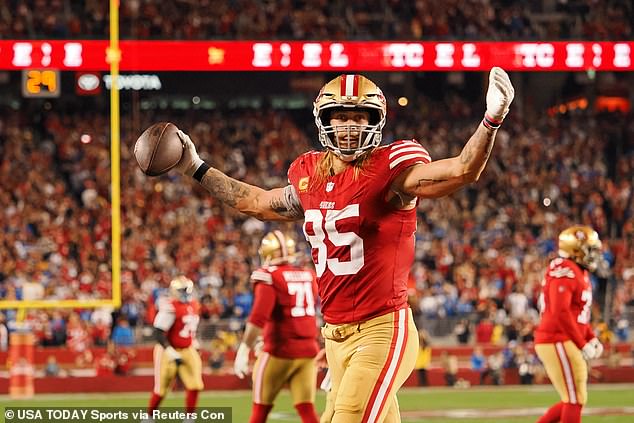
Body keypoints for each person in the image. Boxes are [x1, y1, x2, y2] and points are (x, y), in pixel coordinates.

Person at [168, 68, 514, 422]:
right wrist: (196, 167)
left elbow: (462, 170)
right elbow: (255, 202)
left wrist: (491, 120)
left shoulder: (391, 171)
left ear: (375, 122)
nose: (349, 127)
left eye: (358, 118)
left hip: (382, 329)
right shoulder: (310, 175)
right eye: (341, 117)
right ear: (323, 121)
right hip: (334, 336)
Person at [233, 231, 320, 423]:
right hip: (308, 352)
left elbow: (258, 318)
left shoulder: (269, 276)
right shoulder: (308, 274)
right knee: (307, 410)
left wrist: (244, 348)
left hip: (279, 351)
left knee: (260, 410)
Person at [534, 226, 605, 423]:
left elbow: (576, 315)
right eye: (590, 249)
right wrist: (582, 343)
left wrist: (590, 337)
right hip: (557, 337)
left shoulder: (577, 271)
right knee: (574, 398)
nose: (595, 254)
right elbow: (560, 312)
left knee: (574, 398)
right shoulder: (565, 269)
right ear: (577, 250)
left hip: (562, 337)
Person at [147, 276, 203, 419]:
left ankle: (190, 418)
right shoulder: (170, 306)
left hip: (187, 347)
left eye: (187, 289)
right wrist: (170, 351)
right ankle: (149, 417)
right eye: (182, 290)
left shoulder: (194, 305)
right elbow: (158, 333)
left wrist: (194, 341)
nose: (185, 292)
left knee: (195, 384)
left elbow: (189, 328)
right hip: (167, 349)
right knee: (161, 388)